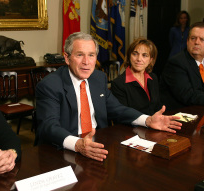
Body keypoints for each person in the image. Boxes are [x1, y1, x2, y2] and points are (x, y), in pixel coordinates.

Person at [35, 32, 181, 162]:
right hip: (63, 151)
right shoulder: (50, 85)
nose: (86, 62)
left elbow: (117, 109)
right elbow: (48, 126)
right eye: (80, 55)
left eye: (91, 55)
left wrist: (147, 120)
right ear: (67, 58)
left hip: (99, 145)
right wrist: (77, 144)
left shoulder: (98, 78)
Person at [160, 22, 204, 110]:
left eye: (202, 39)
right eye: (193, 38)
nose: (196, 42)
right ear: (187, 41)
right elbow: (189, 96)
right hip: (178, 116)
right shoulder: (176, 63)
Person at [111, 37, 162, 115]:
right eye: (135, 54)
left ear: (150, 60)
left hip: (154, 124)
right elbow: (123, 115)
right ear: (129, 56)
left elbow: (157, 107)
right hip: (133, 126)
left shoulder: (153, 78)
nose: (139, 59)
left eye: (144, 55)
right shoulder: (118, 84)